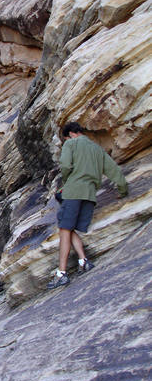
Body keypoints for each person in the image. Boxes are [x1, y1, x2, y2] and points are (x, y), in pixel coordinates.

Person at [47, 122, 128, 289]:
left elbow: (65, 165)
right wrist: (123, 190)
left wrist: (68, 179)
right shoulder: (97, 149)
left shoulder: (71, 144)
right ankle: (83, 261)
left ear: (71, 134)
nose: (67, 140)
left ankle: (61, 274)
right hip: (90, 195)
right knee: (70, 227)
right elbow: (114, 171)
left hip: (73, 191)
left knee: (64, 229)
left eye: (66, 138)